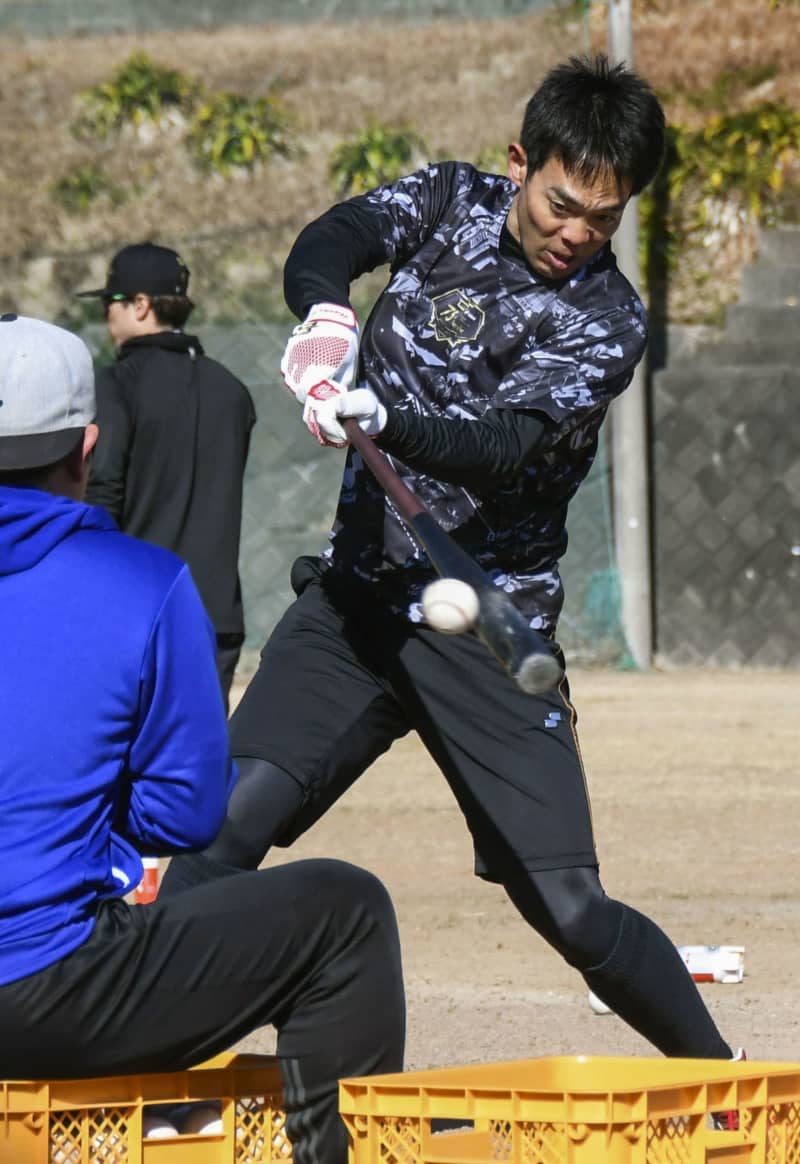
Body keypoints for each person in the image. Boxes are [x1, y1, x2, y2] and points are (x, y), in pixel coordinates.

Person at [161, 56, 740, 1070]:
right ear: (520, 163)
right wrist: (326, 317)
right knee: (221, 828)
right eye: (563, 204)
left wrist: (389, 419)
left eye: (603, 219)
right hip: (357, 606)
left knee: (566, 907)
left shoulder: (607, 320)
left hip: (485, 624)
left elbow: (506, 446)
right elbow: (331, 239)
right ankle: (141, 1064)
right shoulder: (443, 200)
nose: (577, 234)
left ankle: (724, 1083)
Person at [0, 315, 405, 1163]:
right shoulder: (143, 584)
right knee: (344, 910)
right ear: (88, 446)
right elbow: (186, 819)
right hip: (41, 991)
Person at [77, 242, 256, 710]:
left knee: (123, 764)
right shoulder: (232, 392)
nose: (105, 315)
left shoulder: (115, 385)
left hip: (135, 610)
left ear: (140, 306)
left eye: (109, 303)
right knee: (194, 769)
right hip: (214, 616)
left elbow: (103, 491)